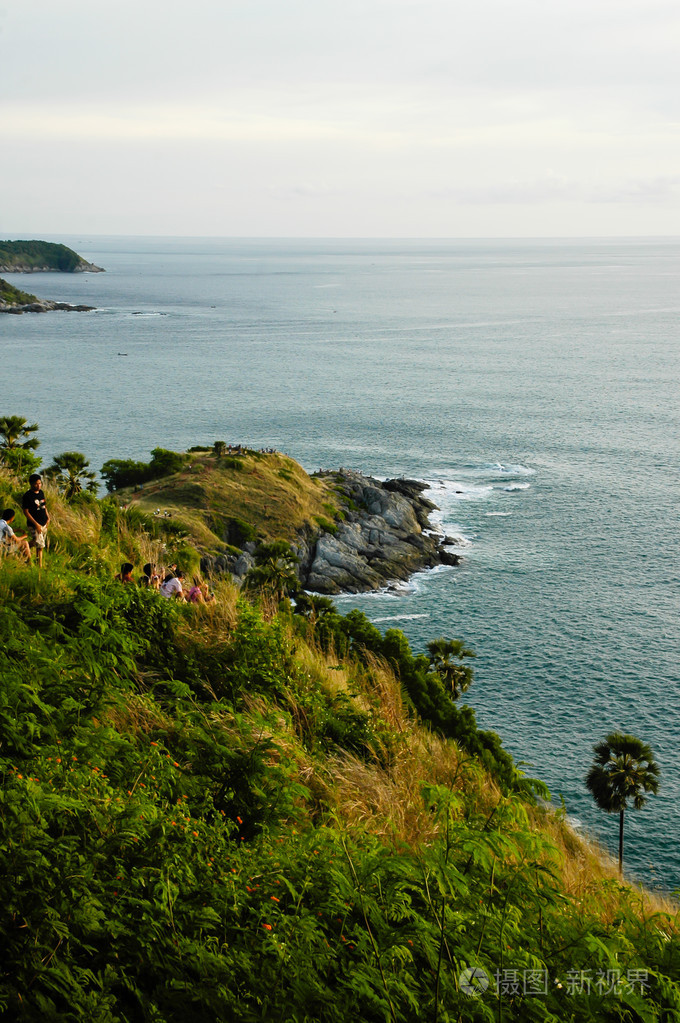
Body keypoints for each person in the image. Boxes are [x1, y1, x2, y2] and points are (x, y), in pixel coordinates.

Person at [21, 473, 50, 568]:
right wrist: (36, 524)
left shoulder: (41, 493)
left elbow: (44, 506)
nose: (39, 485)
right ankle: (40, 566)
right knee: (40, 546)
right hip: (34, 524)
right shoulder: (27, 496)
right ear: (31, 484)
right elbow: (26, 512)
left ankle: (23, 547)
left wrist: (48, 517)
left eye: (40, 483)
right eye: (36, 484)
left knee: (37, 541)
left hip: (43, 522)